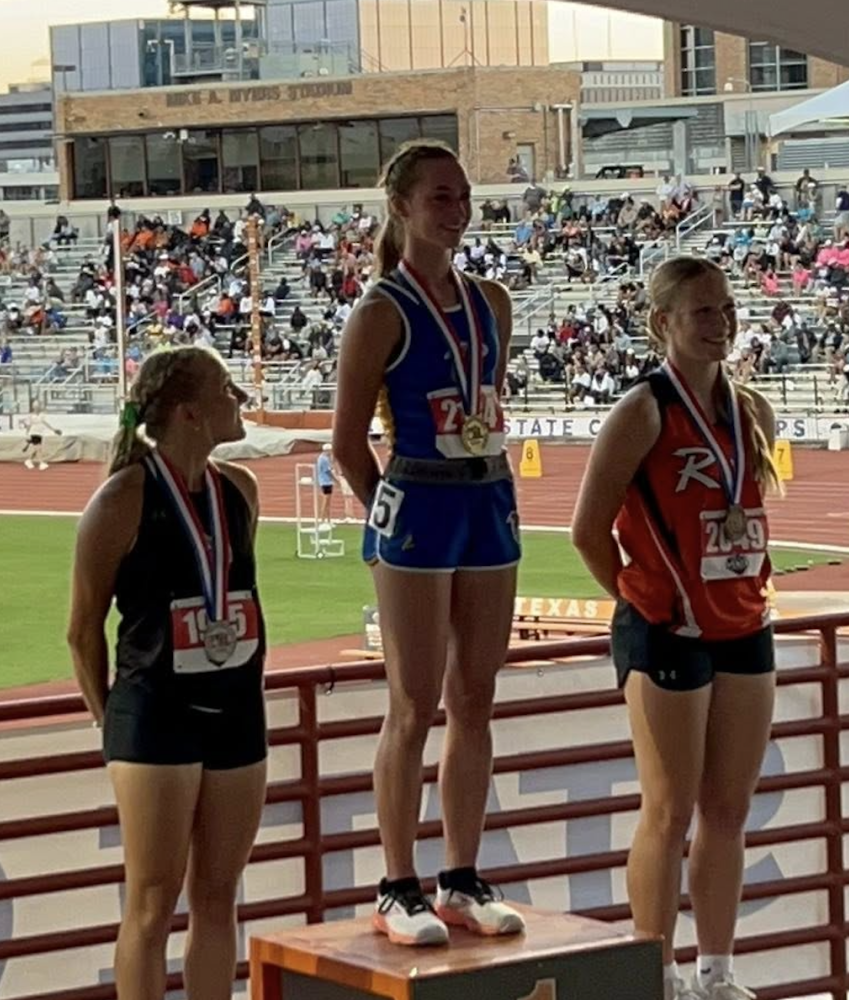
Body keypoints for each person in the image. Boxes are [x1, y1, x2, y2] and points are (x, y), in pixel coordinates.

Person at [331, 139, 525, 947]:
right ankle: (396, 884)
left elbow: (483, 400)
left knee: (475, 696)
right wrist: (390, 515)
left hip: (488, 496)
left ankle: (462, 876)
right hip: (417, 502)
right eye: (440, 197)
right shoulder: (380, 311)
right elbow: (347, 443)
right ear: (401, 207)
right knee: (413, 702)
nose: (458, 210)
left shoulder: (493, 302)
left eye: (463, 195)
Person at [569, 257, 780, 1000]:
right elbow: (588, 530)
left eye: (727, 308)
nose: (721, 323)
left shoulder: (750, 411)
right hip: (667, 631)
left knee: (728, 811)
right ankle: (654, 976)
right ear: (663, 323)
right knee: (668, 811)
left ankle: (716, 973)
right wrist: (644, 601)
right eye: (703, 311)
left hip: (743, 624)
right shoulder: (641, 412)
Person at [67, 345, 267, 1000]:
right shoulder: (121, 499)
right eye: (226, 389)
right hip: (154, 716)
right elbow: (82, 630)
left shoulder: (240, 490)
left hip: (236, 711)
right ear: (189, 412)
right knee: (152, 903)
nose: (239, 398)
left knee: (219, 895)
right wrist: (112, 725)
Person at [23, 405, 62, 471]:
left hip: (40, 433)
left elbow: (45, 423)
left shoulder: (42, 415)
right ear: (33, 408)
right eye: (35, 407)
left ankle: (29, 460)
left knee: (36, 449)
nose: (37, 408)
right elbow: (29, 425)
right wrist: (27, 434)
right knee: (39, 448)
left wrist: (53, 429)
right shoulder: (31, 416)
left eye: (38, 407)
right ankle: (41, 463)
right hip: (33, 432)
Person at [315, 443, 336, 524]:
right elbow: (328, 471)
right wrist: (336, 480)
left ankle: (328, 520)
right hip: (326, 482)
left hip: (325, 481)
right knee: (326, 502)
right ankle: (323, 520)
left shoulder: (322, 458)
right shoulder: (324, 459)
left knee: (327, 502)